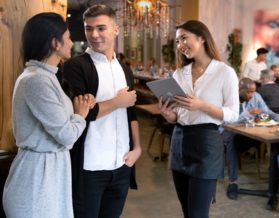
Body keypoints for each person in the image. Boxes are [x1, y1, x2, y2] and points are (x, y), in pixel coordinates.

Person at [2, 12, 93, 218]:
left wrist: (79, 110)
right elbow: (67, 136)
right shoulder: (37, 80)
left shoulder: (46, 77)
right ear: (55, 43)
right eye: (68, 37)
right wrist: (80, 115)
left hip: (48, 173)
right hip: (36, 179)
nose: (71, 42)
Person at [62, 5, 142, 218]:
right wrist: (117, 102)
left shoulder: (124, 69)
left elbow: (130, 113)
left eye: (101, 28)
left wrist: (138, 148)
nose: (94, 35)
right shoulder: (75, 66)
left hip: (122, 164)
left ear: (116, 29)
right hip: (89, 167)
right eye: (89, 29)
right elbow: (81, 114)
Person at [158, 20, 239, 218]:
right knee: (187, 210)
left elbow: (233, 114)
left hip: (207, 144)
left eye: (184, 38)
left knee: (197, 213)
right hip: (179, 141)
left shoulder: (225, 72)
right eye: (177, 41)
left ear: (201, 38)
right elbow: (180, 114)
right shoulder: (179, 73)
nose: (180, 45)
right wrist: (170, 116)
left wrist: (202, 105)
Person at [223, 77, 279, 200]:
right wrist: (247, 114)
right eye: (248, 92)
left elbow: (267, 112)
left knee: (278, 138)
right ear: (239, 90)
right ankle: (232, 182)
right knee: (232, 141)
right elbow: (227, 122)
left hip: (249, 132)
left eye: (253, 91)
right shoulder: (229, 98)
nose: (252, 95)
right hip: (228, 131)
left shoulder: (256, 96)